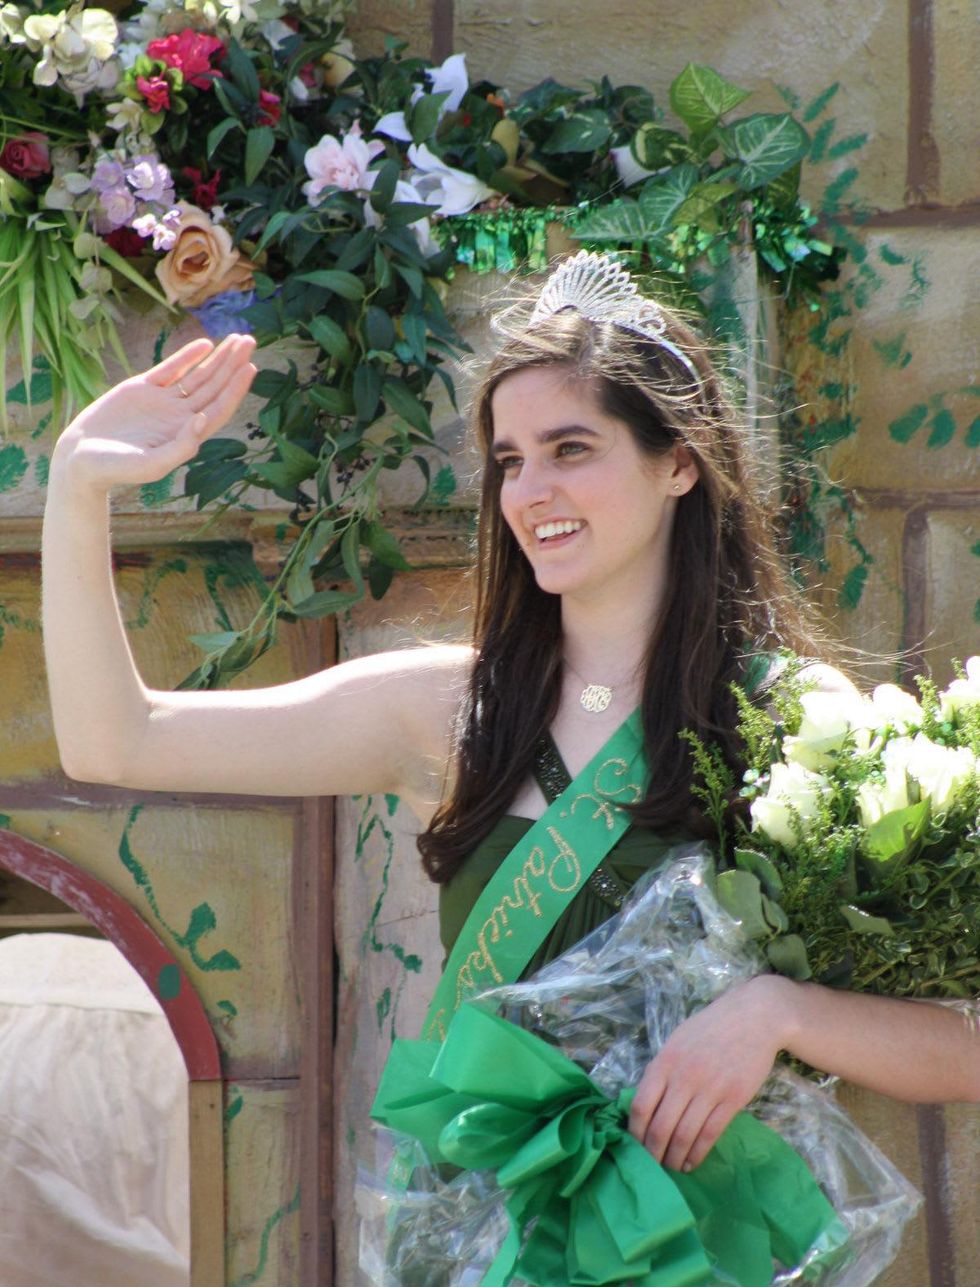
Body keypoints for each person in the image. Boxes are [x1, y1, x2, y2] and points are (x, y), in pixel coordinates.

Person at [42, 251, 978, 1187]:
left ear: (679, 463)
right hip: (489, 1251)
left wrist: (782, 1012)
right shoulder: (446, 710)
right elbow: (115, 741)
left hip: (712, 1264)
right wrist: (78, 489)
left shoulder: (793, 719)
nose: (529, 492)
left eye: (571, 449)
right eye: (509, 461)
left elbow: (963, 1048)